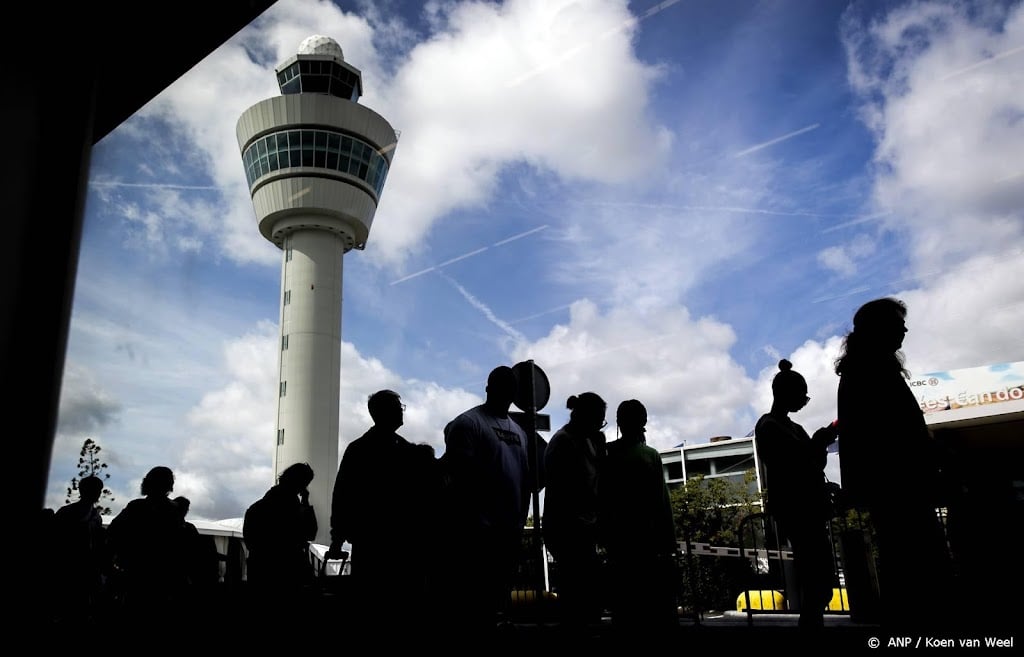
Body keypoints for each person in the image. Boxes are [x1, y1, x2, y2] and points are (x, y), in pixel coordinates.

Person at [834, 297, 954, 629]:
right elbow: (893, 435)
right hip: (901, 488)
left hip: (892, 489)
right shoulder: (874, 370)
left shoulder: (863, 369)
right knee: (917, 568)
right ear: (879, 328)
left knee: (905, 566)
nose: (904, 328)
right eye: (897, 322)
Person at [327, 389, 441, 633]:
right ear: (385, 412)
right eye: (398, 406)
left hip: (372, 544)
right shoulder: (406, 451)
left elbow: (342, 496)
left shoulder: (358, 449)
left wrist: (337, 537)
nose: (402, 410)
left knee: (374, 611)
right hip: (399, 545)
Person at [435, 365, 531, 636]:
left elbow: (523, 479)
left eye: (510, 386)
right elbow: (460, 476)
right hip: (477, 532)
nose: (507, 391)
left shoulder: (520, 432)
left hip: (508, 529)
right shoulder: (468, 423)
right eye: (502, 385)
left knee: (498, 595)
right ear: (489, 388)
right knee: (476, 602)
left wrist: (519, 520)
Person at [754, 360, 838, 630]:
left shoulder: (789, 428)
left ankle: (811, 625)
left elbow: (811, 463)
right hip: (798, 510)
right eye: (802, 394)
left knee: (819, 577)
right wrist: (820, 441)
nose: (804, 400)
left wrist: (819, 444)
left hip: (806, 508)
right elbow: (798, 463)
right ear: (786, 393)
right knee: (818, 577)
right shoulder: (770, 427)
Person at [599, 399, 678, 635]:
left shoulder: (607, 455)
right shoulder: (650, 456)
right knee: (653, 607)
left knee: (625, 608)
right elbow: (661, 503)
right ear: (643, 422)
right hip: (649, 541)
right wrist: (668, 541)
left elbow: (602, 497)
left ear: (619, 423)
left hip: (619, 541)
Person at [542, 391, 607, 632]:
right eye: (599, 420)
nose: (600, 426)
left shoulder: (585, 441)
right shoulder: (563, 443)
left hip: (579, 524)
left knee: (581, 581)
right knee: (580, 581)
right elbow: (568, 489)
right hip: (567, 526)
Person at [107, 466, 189, 619]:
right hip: (164, 576)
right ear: (170, 485)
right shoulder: (174, 511)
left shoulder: (136, 507)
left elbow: (113, 533)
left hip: (138, 574)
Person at [243, 462, 318, 616]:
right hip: (289, 573)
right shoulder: (295, 509)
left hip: (261, 572)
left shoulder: (256, 508)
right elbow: (310, 533)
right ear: (301, 484)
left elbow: (251, 541)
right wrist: (305, 502)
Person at [52, 475, 109, 625]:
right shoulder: (67, 513)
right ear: (83, 490)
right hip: (70, 568)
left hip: (88, 569)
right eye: (95, 489)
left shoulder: (96, 517)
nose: (97, 493)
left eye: (98, 490)